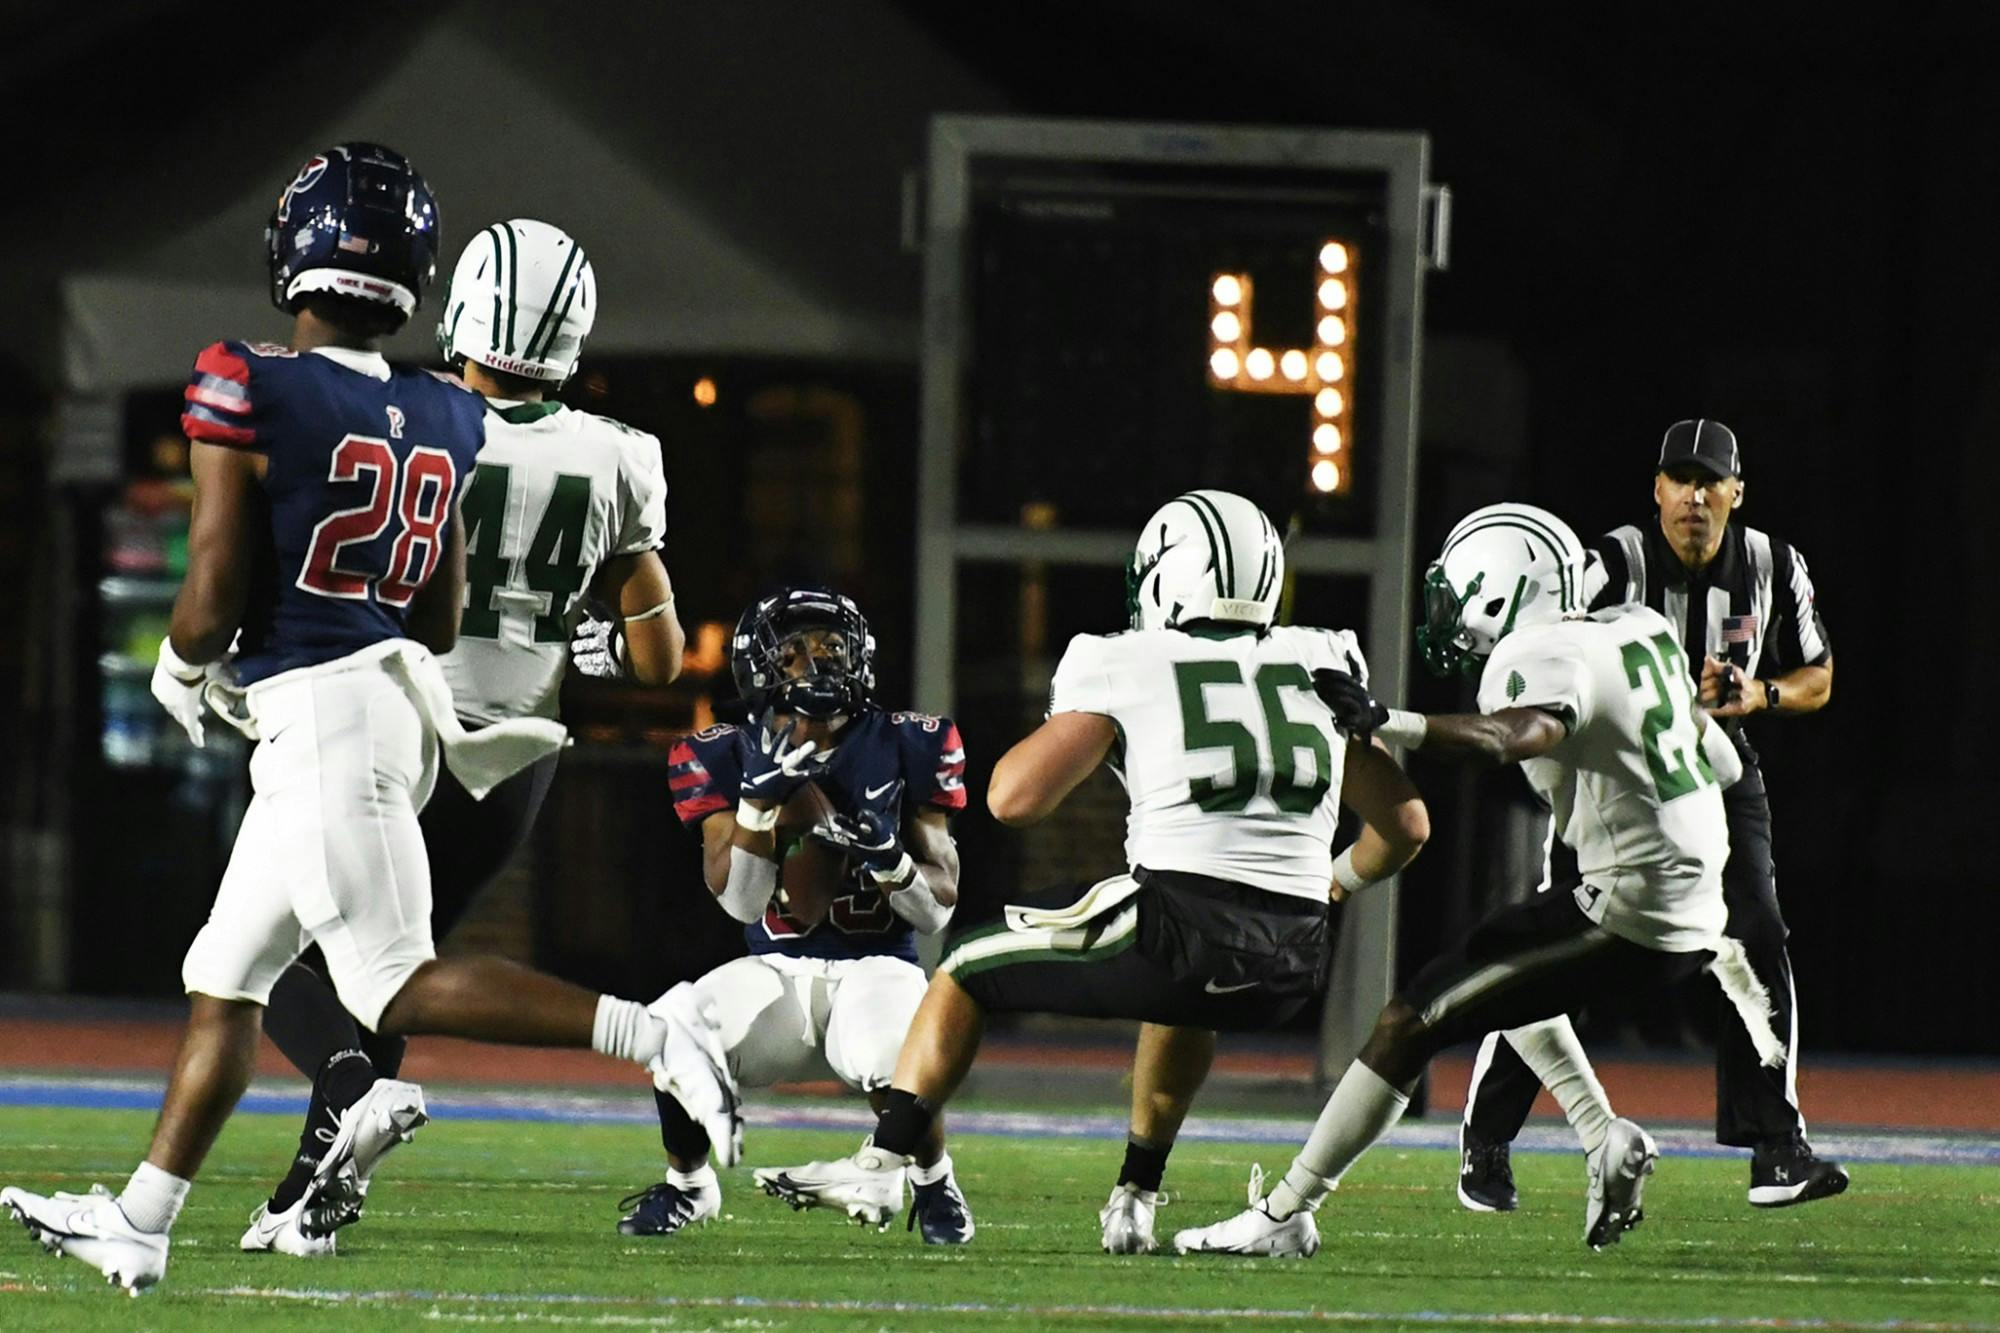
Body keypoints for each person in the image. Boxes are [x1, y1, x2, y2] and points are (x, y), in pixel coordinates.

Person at [0, 145, 676, 1294]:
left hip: (323, 715)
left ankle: (655, 1034)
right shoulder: (437, 413)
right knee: (227, 973)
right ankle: (143, 1219)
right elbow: (443, 606)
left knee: (390, 980)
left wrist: (181, 665)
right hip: (388, 706)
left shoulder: (246, 377)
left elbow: (212, 580)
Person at [760, 489, 1431, 1255]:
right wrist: (1332, 880)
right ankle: (1136, 1196)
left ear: (1166, 574)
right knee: (1182, 1005)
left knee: (967, 967)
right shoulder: (1318, 659)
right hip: (1296, 956)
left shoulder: (1127, 659)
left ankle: (881, 1163)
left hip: (1179, 921)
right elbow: (1408, 828)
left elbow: (1012, 799)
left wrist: (1093, 726)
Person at [241, 218, 687, 1257]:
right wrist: (598, 653)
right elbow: (656, 656)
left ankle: (356, 1094)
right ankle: (308, 1198)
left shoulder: (414, 416)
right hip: (517, 756)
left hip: (395, 719)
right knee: (387, 962)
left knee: (265, 962)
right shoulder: (620, 456)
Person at [1172, 501, 1767, 1258]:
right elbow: (1723, 763)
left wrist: (1391, 721)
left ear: (1505, 586)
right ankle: (1603, 1136)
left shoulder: (1542, 654)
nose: (1453, 617)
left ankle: (1287, 1211)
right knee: (1498, 966)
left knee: (1407, 1023)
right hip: (1690, 899)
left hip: (1632, 910)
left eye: (1462, 594)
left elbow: (1513, 735)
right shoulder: (1639, 630)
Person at [1456, 420, 1844, 1213]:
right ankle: (1487, 1138)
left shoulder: (1774, 563)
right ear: (1657, 488)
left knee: (1758, 929)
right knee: (1558, 942)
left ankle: (1776, 1146)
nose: (1694, 496)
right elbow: (1539, 630)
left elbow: (1820, 673)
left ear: (1738, 492)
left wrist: (1759, 693)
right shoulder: (1611, 562)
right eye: (1680, 479)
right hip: (1614, 775)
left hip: (1717, 769)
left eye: (1711, 481)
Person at [621, 587, 975, 1245]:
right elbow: (742, 902)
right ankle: (689, 1185)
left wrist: (889, 859)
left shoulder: (910, 741)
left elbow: (935, 906)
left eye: (831, 649)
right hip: (775, 967)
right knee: (676, 1029)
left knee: (898, 1054)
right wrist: (758, 807)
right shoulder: (720, 751)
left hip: (879, 963)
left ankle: (933, 1180)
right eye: (796, 654)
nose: (817, 666)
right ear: (763, 666)